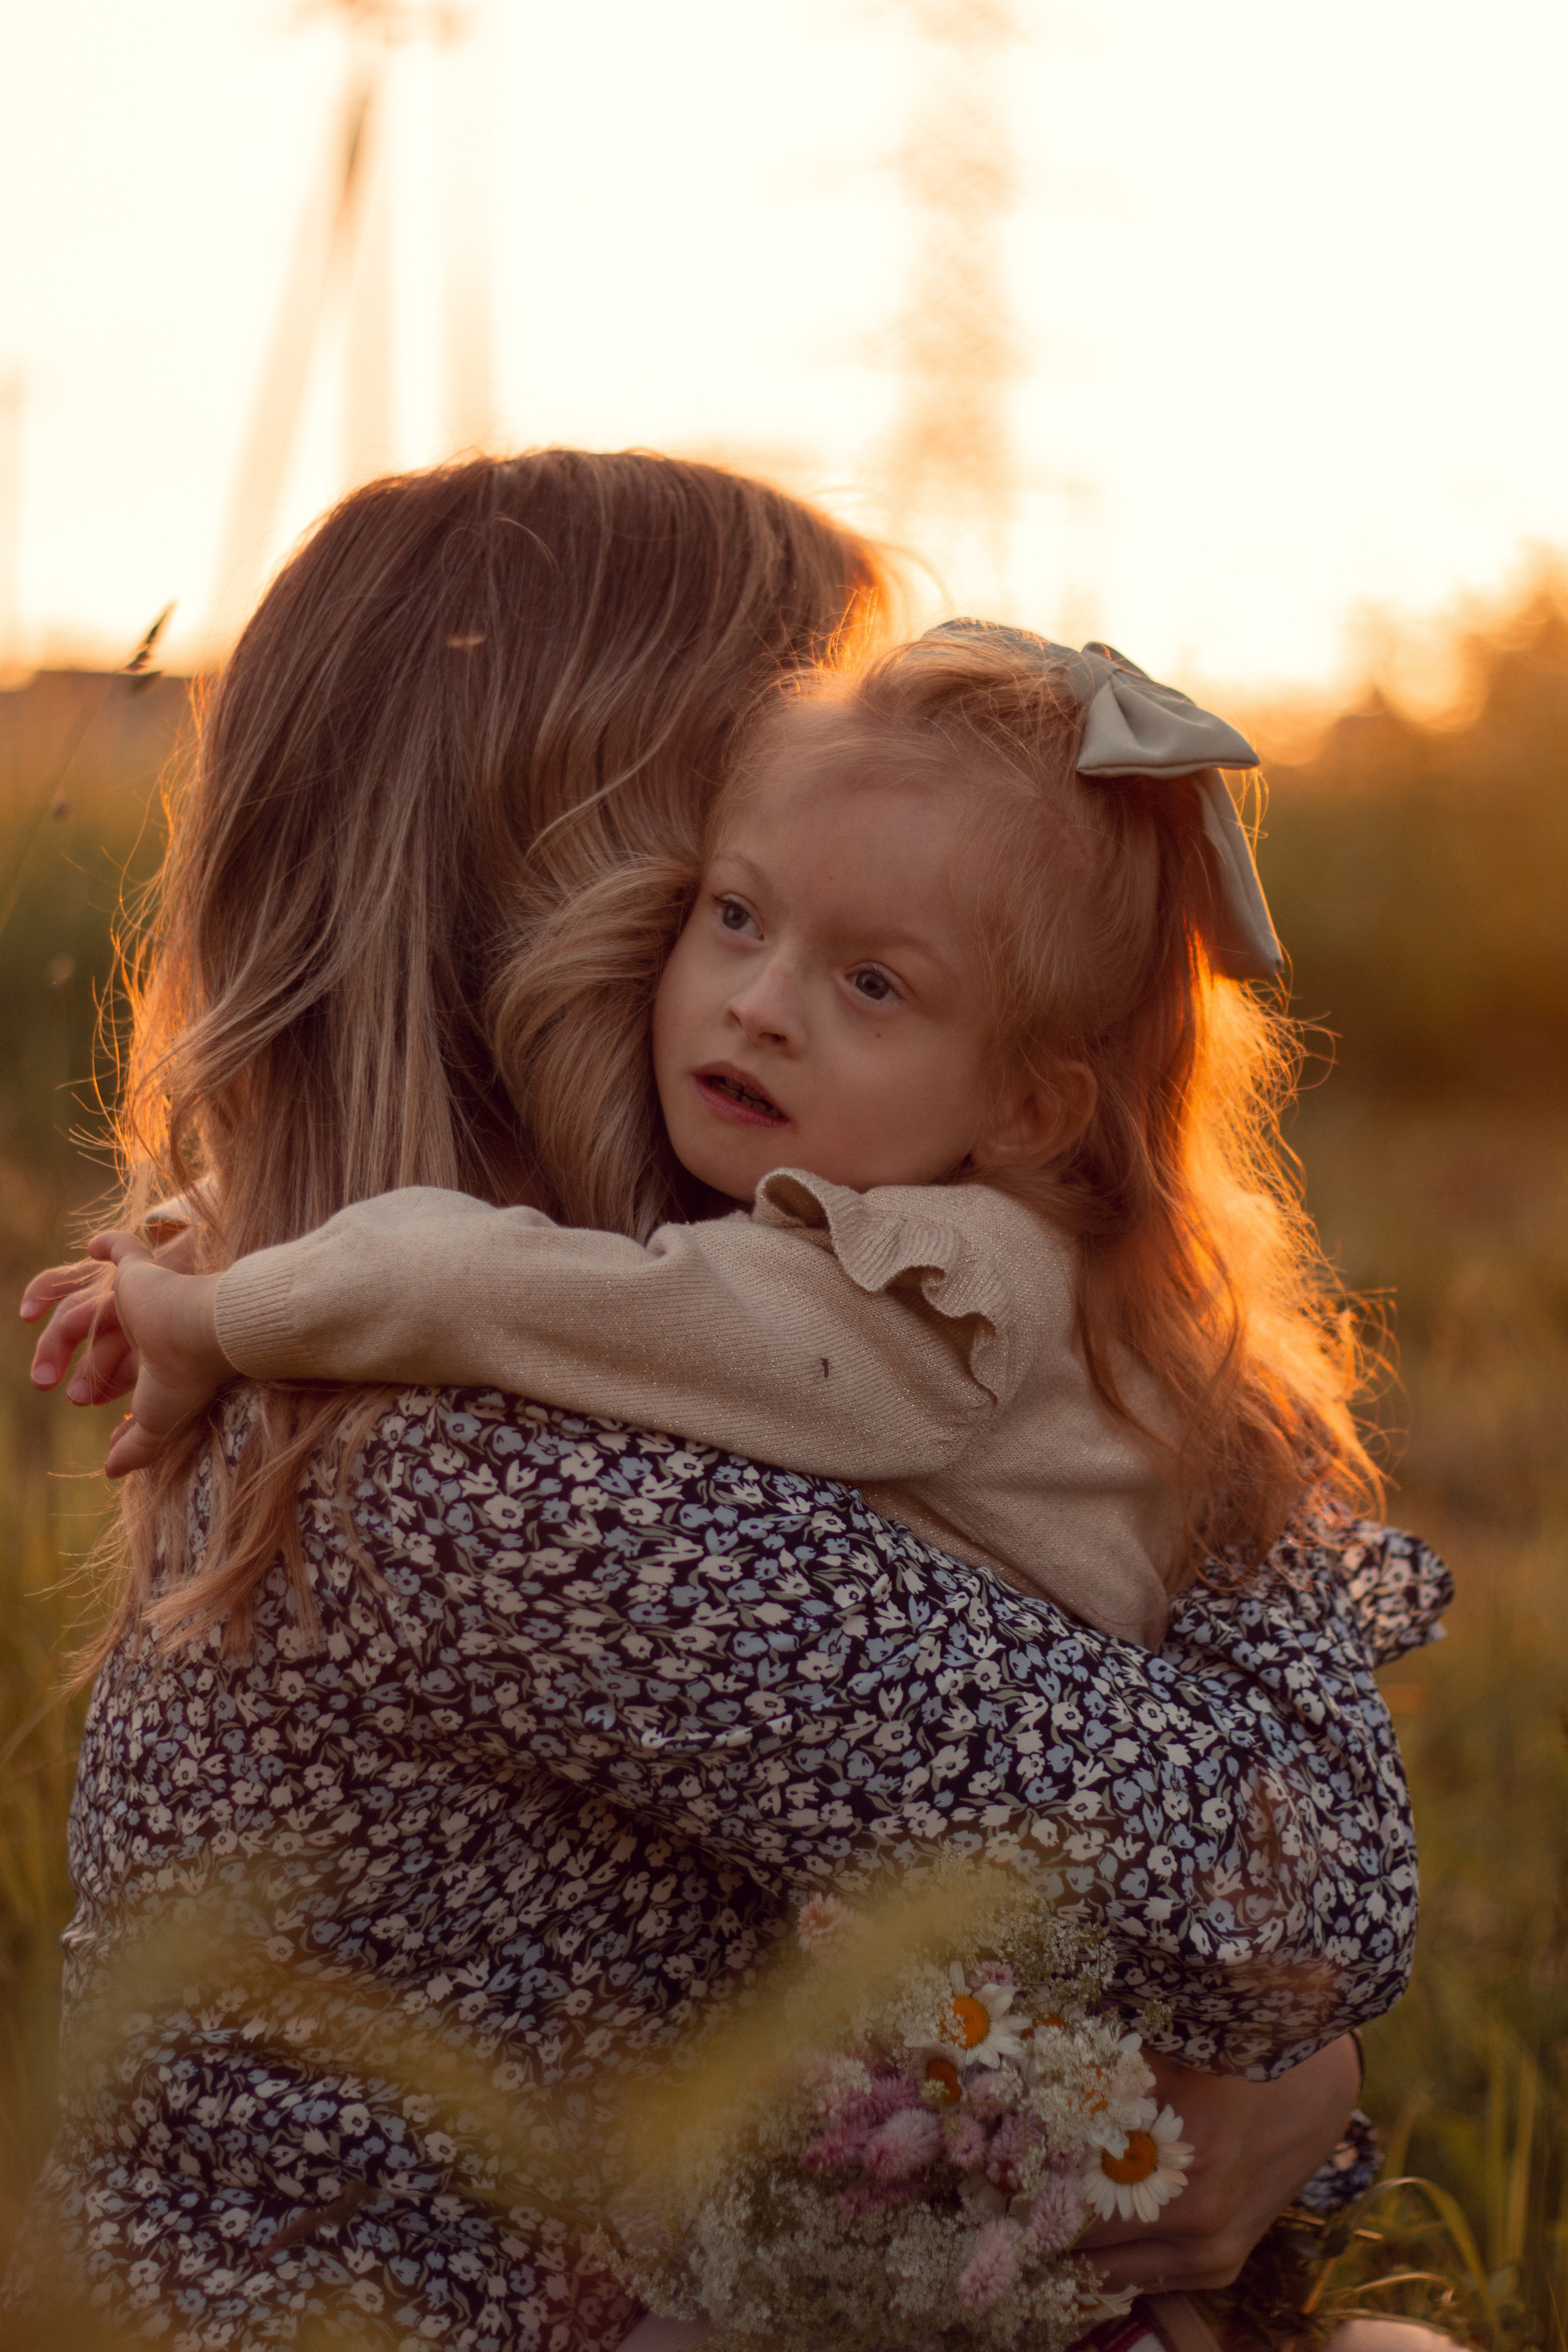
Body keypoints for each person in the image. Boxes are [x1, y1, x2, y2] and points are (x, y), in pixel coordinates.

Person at [15, 451, 1449, 2352]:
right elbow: (1292, 1886)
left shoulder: (365, 1335)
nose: (775, 994)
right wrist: (1160, 1331)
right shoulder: (509, 1483)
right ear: (592, 891)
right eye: (744, 888)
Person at [71, 623, 1377, 1665]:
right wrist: (207, 1226)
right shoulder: (910, 1221)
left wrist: (221, 1315)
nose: (757, 1006)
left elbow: (510, 1290)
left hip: (997, 1989)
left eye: (872, 985)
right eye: (737, 913)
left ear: (1027, 1112)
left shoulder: (941, 1297)